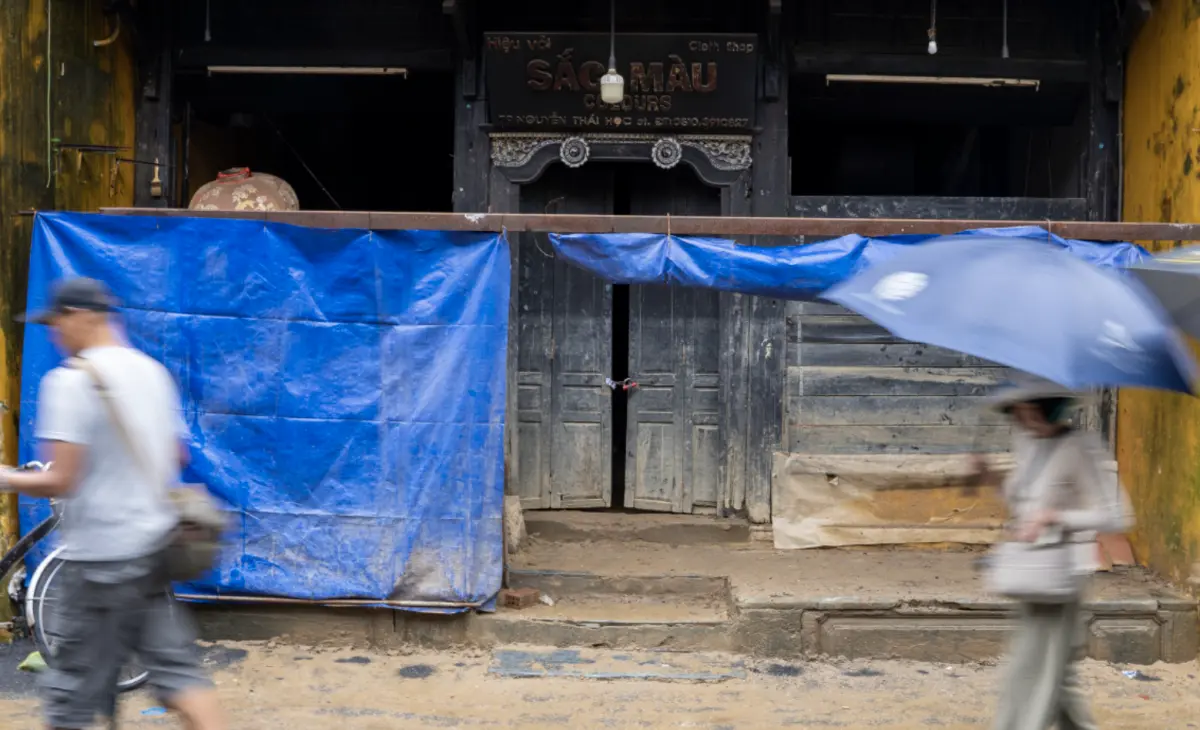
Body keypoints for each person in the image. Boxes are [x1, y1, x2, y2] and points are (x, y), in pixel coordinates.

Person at [0, 277, 225, 730]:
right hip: (154, 550)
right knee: (179, 676)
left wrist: (4, 476)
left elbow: (61, 479)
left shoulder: (69, 382)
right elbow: (176, 454)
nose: (54, 332)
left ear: (82, 317)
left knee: (71, 696)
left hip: (99, 560)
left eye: (57, 322)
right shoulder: (151, 372)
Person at [970, 377, 1133, 730]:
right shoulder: (1028, 443)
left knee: (1032, 671)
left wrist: (1055, 517)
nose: (1021, 420)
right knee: (1052, 672)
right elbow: (1020, 501)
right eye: (1016, 413)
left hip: (1062, 573)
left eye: (1027, 411)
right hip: (1030, 569)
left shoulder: (1080, 447)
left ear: (1046, 407)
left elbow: (1118, 514)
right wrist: (990, 478)